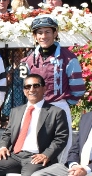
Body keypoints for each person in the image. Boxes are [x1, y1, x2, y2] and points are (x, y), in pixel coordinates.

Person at [13, 16, 84, 156]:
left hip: (58, 106)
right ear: (34, 36)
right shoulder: (27, 60)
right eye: (39, 33)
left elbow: (78, 87)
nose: (43, 36)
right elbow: (22, 87)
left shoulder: (69, 58)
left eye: (47, 32)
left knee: (62, 149)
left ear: (55, 33)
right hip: (36, 108)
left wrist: (65, 102)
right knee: (35, 146)